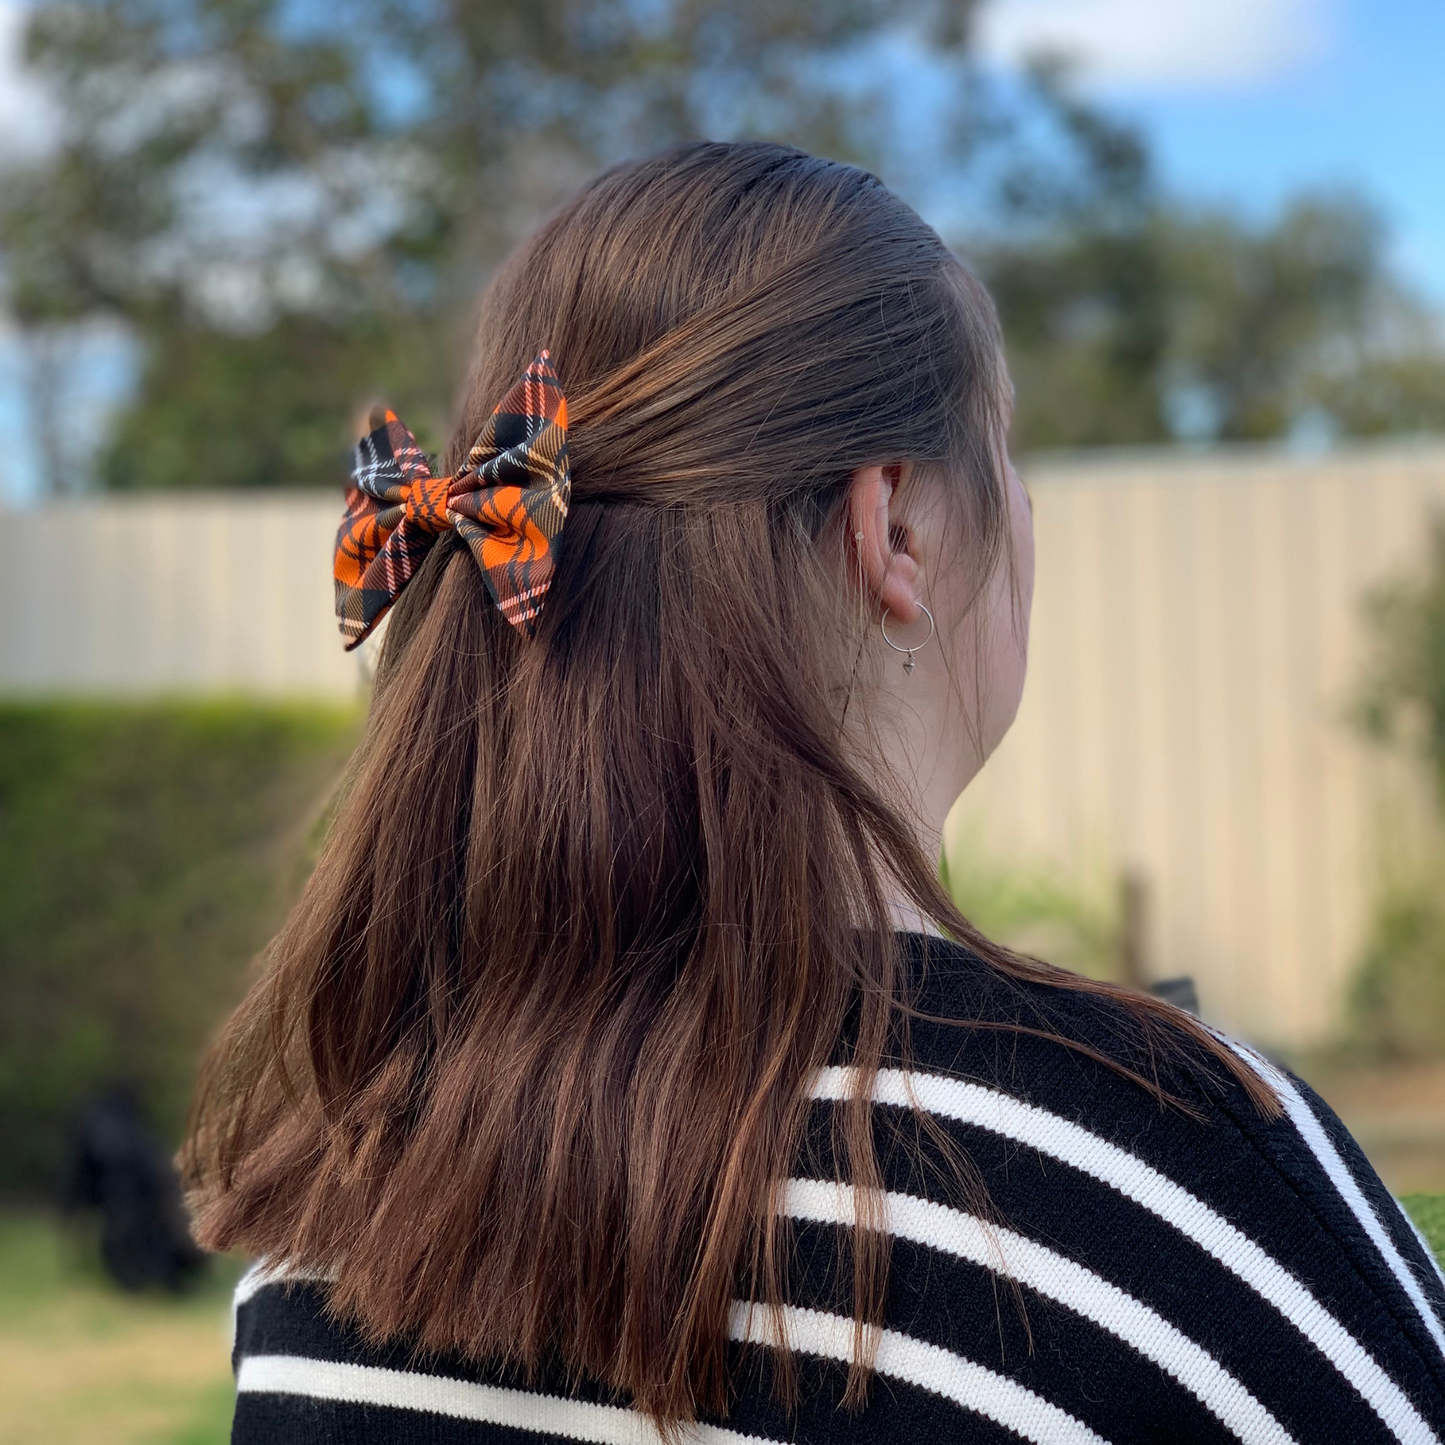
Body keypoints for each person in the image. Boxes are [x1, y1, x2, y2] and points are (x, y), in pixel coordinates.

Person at [184, 141, 1445, 1444]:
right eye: (1002, 445)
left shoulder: (323, 1228)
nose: (1023, 504)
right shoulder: (1165, 1189)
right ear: (892, 524)